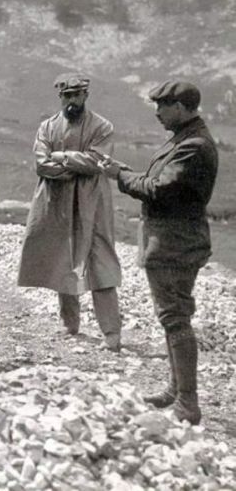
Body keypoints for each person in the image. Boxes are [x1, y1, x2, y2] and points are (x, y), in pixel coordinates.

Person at [100, 80, 218, 425]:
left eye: (163, 106)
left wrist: (118, 175)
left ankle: (187, 403)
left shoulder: (193, 145)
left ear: (181, 107)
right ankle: (175, 391)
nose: (157, 113)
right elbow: (157, 179)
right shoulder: (186, 138)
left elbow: (159, 189)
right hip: (171, 242)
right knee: (171, 318)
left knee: (175, 318)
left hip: (175, 244)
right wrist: (124, 171)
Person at [18, 73, 122, 351]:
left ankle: (111, 333)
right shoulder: (47, 127)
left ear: (85, 95)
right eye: (66, 95)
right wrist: (77, 164)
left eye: (76, 95)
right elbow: (41, 165)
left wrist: (61, 157)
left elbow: (97, 161)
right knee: (62, 257)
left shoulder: (102, 126)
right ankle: (70, 324)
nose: (71, 100)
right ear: (60, 97)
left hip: (93, 204)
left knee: (100, 260)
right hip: (57, 201)